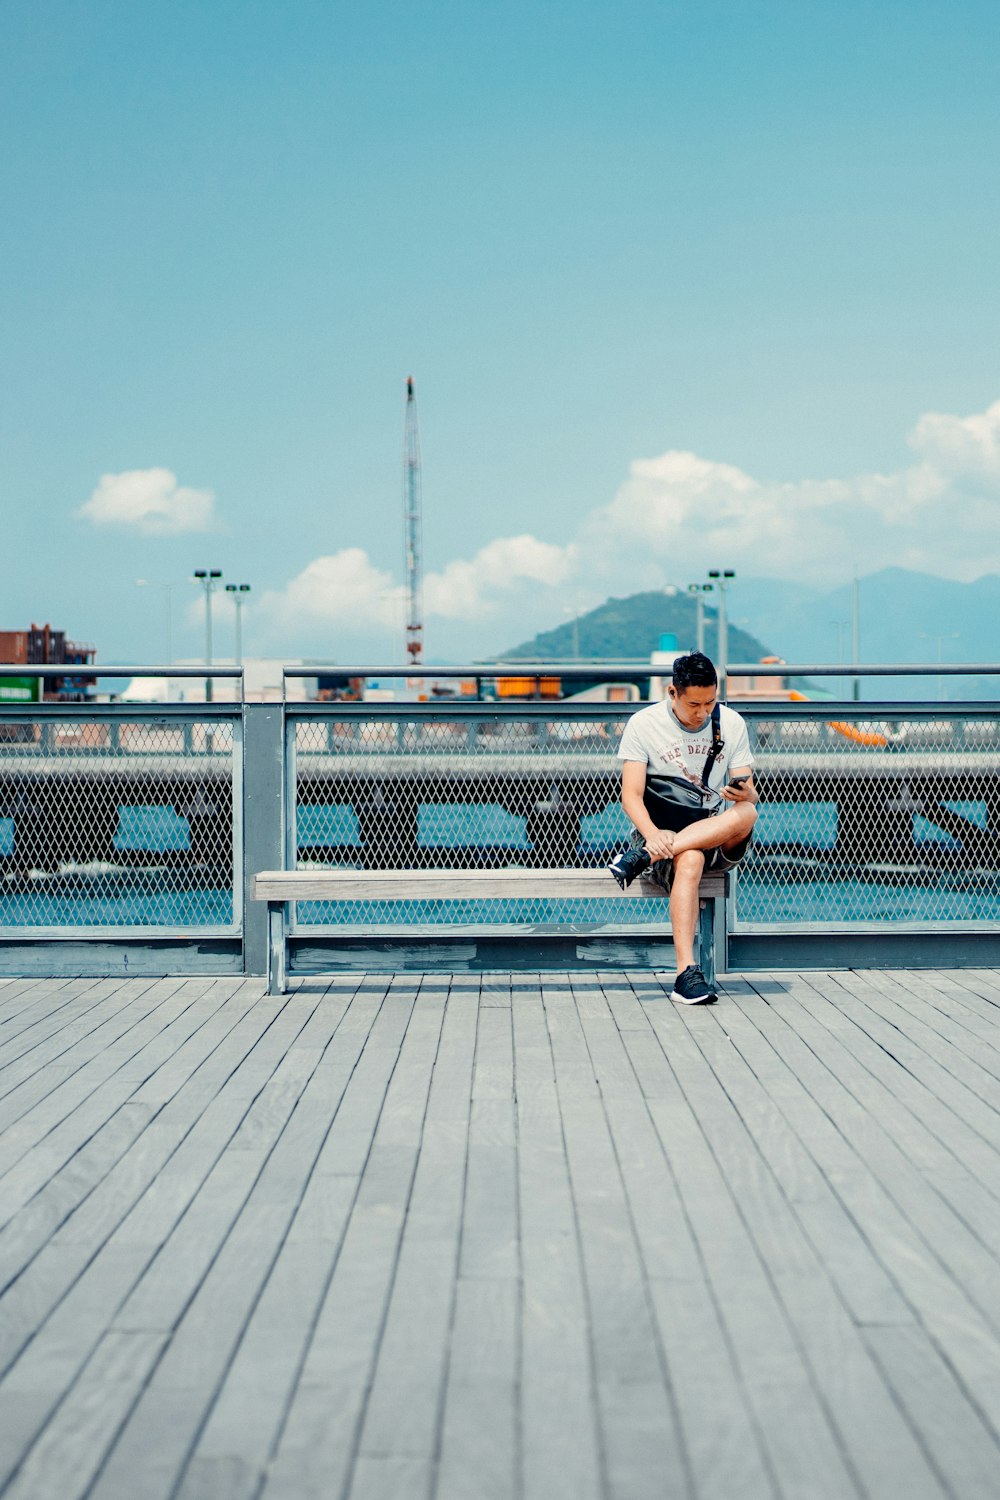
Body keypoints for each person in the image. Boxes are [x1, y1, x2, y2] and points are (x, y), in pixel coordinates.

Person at [609, 651, 758, 1005]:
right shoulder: (644, 724)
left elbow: (748, 791)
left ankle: (640, 858)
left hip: (713, 832)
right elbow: (630, 796)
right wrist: (652, 836)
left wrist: (745, 792)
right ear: (672, 693)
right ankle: (686, 974)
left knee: (748, 813)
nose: (703, 712)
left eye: (710, 702)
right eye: (694, 704)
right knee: (688, 860)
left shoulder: (731, 723)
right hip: (657, 831)